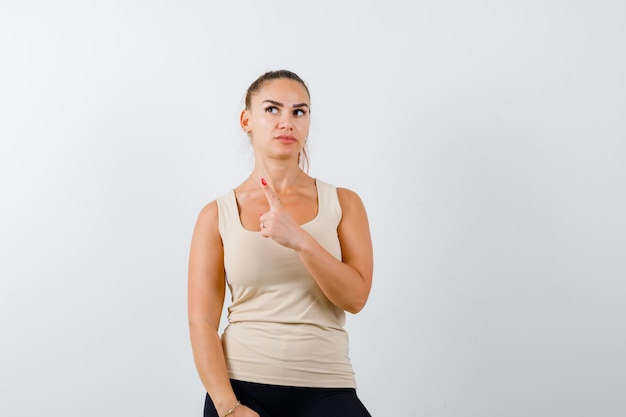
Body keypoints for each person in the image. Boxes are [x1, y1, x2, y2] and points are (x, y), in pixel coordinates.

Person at [188, 70, 373, 417]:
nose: (286, 122)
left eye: (298, 112)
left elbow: (356, 298)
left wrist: (300, 239)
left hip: (327, 386)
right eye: (272, 110)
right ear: (247, 120)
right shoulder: (217, 214)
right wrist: (229, 408)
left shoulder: (344, 203)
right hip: (242, 387)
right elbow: (201, 323)